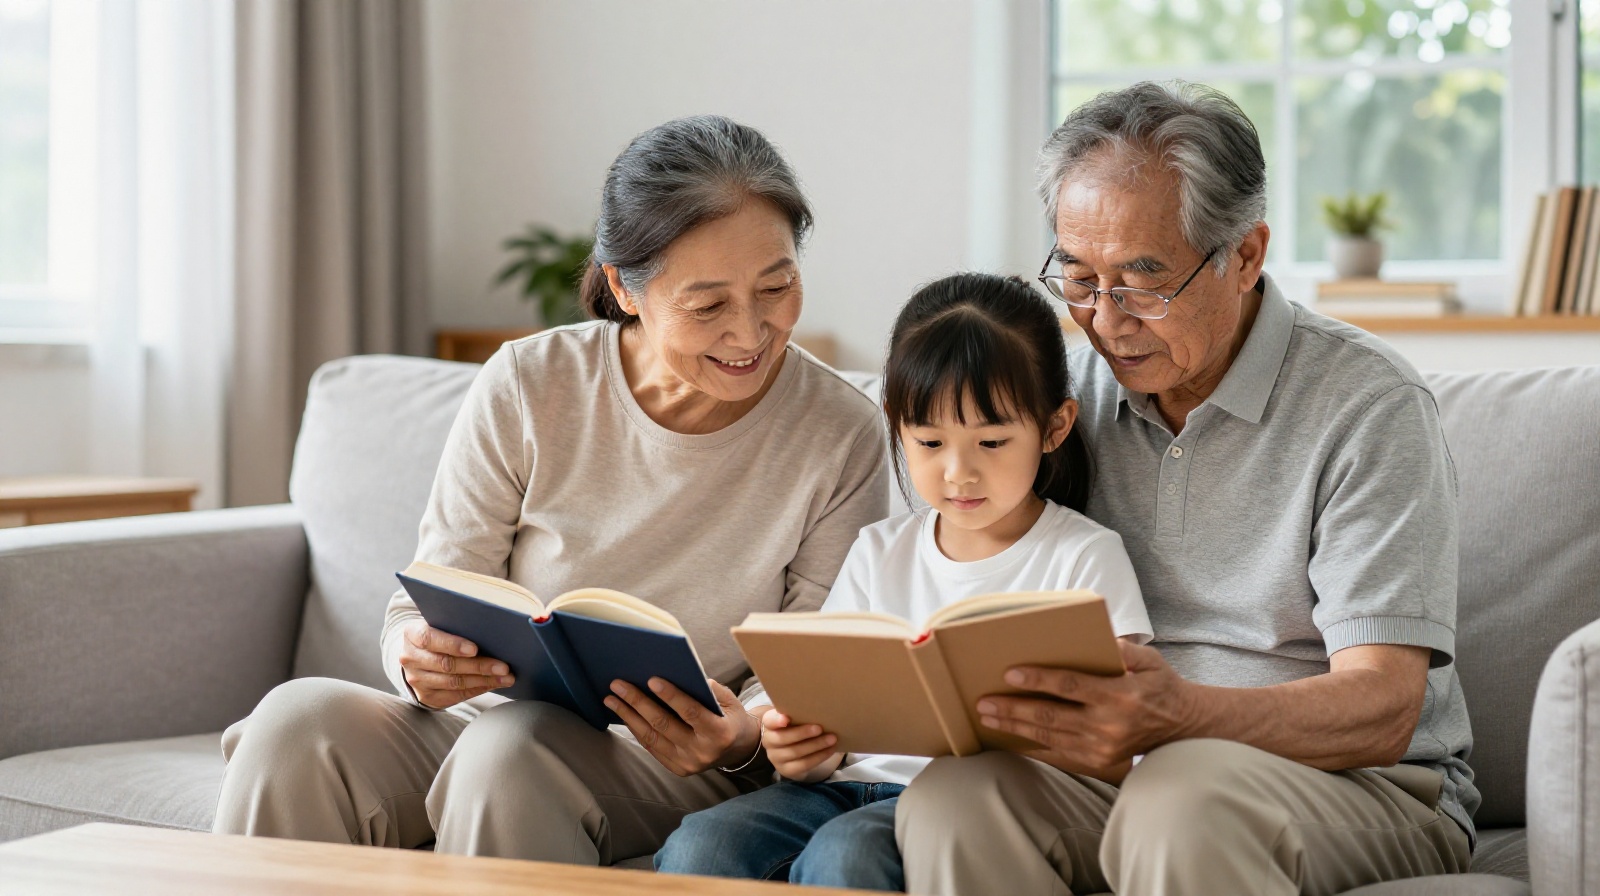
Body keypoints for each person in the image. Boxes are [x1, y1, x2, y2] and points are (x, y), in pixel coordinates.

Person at [211, 115, 890, 865]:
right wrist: (418, 657)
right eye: (708, 306)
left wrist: (743, 732)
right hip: (486, 725)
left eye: (778, 286)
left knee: (513, 750)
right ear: (624, 291)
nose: (753, 331)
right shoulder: (530, 383)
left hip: (668, 761)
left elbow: (811, 672)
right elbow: (428, 595)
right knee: (295, 721)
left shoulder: (841, 431)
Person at [893, 82, 1478, 896]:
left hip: (1366, 788)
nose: (1106, 320)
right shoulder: (1068, 401)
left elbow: (1383, 705)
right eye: (1079, 278)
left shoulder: (1369, 406)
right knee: (954, 800)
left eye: (1143, 280)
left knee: (1179, 799)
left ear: (1245, 255)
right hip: (1132, 771)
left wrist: (1186, 718)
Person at [653, 273, 1154, 890]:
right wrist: (799, 747)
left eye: (992, 442)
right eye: (929, 441)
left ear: (1053, 429)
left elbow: (1122, 741)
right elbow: (824, 706)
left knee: (845, 854)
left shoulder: (1083, 556)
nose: (958, 472)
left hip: (965, 806)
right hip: (844, 788)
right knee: (700, 844)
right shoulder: (878, 551)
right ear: (898, 426)